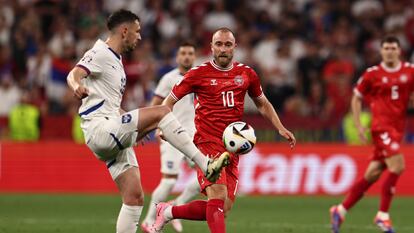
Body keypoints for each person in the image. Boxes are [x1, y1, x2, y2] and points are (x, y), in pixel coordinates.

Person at [66, 10, 229, 233]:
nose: (140, 37)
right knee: (162, 111)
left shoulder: (116, 60)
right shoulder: (100, 52)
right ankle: (205, 164)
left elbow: (112, 104)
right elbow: (74, 74)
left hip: (110, 128)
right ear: (125, 31)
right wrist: (77, 87)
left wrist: (136, 126)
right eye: (137, 31)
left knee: (134, 197)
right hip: (100, 128)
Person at [152, 28, 296, 233]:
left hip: (232, 148)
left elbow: (262, 103)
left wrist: (280, 127)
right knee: (217, 196)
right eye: (218, 44)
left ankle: (167, 212)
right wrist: (162, 126)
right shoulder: (197, 74)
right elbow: (168, 103)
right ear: (211, 47)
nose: (223, 49)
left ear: (234, 48)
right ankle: (168, 212)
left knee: (223, 207)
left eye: (228, 45)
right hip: (205, 144)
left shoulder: (246, 74)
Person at [330, 36, 414, 233]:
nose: (390, 51)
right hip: (381, 127)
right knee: (398, 165)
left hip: (398, 128)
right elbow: (357, 98)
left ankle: (340, 210)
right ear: (381, 51)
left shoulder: (410, 71)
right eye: (386, 48)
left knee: (373, 173)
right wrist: (358, 124)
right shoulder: (372, 74)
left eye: (393, 47)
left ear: (399, 50)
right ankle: (382, 215)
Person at [141, 42, 201, 233]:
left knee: (208, 174)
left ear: (195, 56)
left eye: (190, 53)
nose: (186, 57)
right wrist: (152, 126)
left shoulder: (200, 76)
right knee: (169, 181)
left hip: (194, 135)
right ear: (177, 57)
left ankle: (174, 206)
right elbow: (156, 104)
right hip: (171, 133)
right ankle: (149, 221)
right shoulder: (168, 78)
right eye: (183, 53)